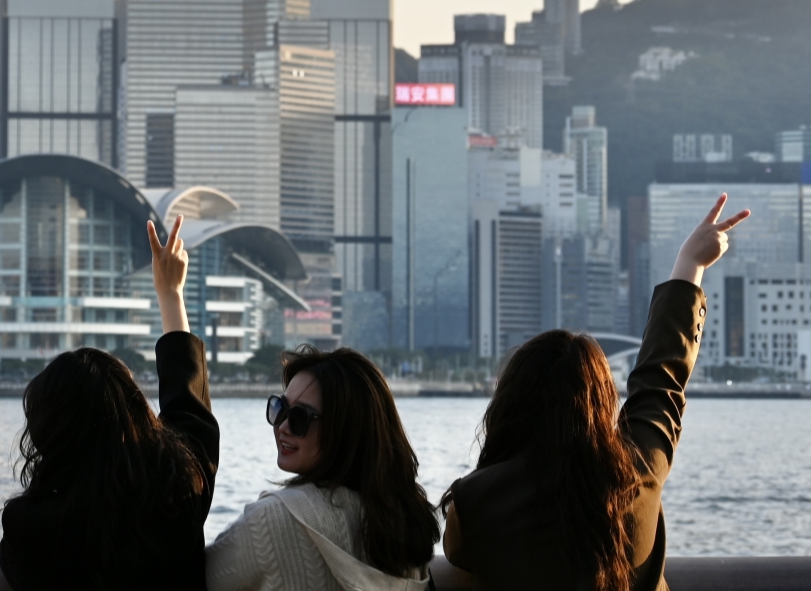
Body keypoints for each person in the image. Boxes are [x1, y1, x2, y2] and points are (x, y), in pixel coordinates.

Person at [441, 193, 750, 591]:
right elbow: (662, 378)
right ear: (602, 401)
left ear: (509, 405)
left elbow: (459, 556)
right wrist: (689, 264)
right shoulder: (637, 470)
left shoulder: (474, 503)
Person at [0, 215, 218, 591]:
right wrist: (171, 293)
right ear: (135, 411)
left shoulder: (29, 526)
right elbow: (188, 405)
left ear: (46, 430)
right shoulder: (179, 490)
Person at [205, 348, 438, 590]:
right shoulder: (405, 523)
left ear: (345, 431)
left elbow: (194, 578)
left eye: (299, 418)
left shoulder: (269, 521)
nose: (282, 426)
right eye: (279, 408)